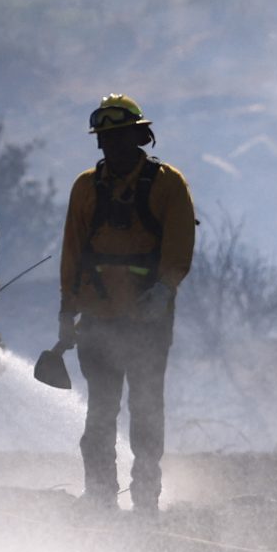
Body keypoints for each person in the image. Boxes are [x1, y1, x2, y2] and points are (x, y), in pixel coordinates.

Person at [58, 93, 195, 516]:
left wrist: (165, 288)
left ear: (140, 136)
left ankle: (145, 499)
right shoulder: (86, 187)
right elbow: (72, 252)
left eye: (119, 136)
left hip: (147, 322)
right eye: (105, 138)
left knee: (146, 410)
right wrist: (67, 311)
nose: (111, 145)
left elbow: (179, 246)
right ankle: (100, 497)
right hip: (98, 321)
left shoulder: (168, 184)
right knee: (100, 412)